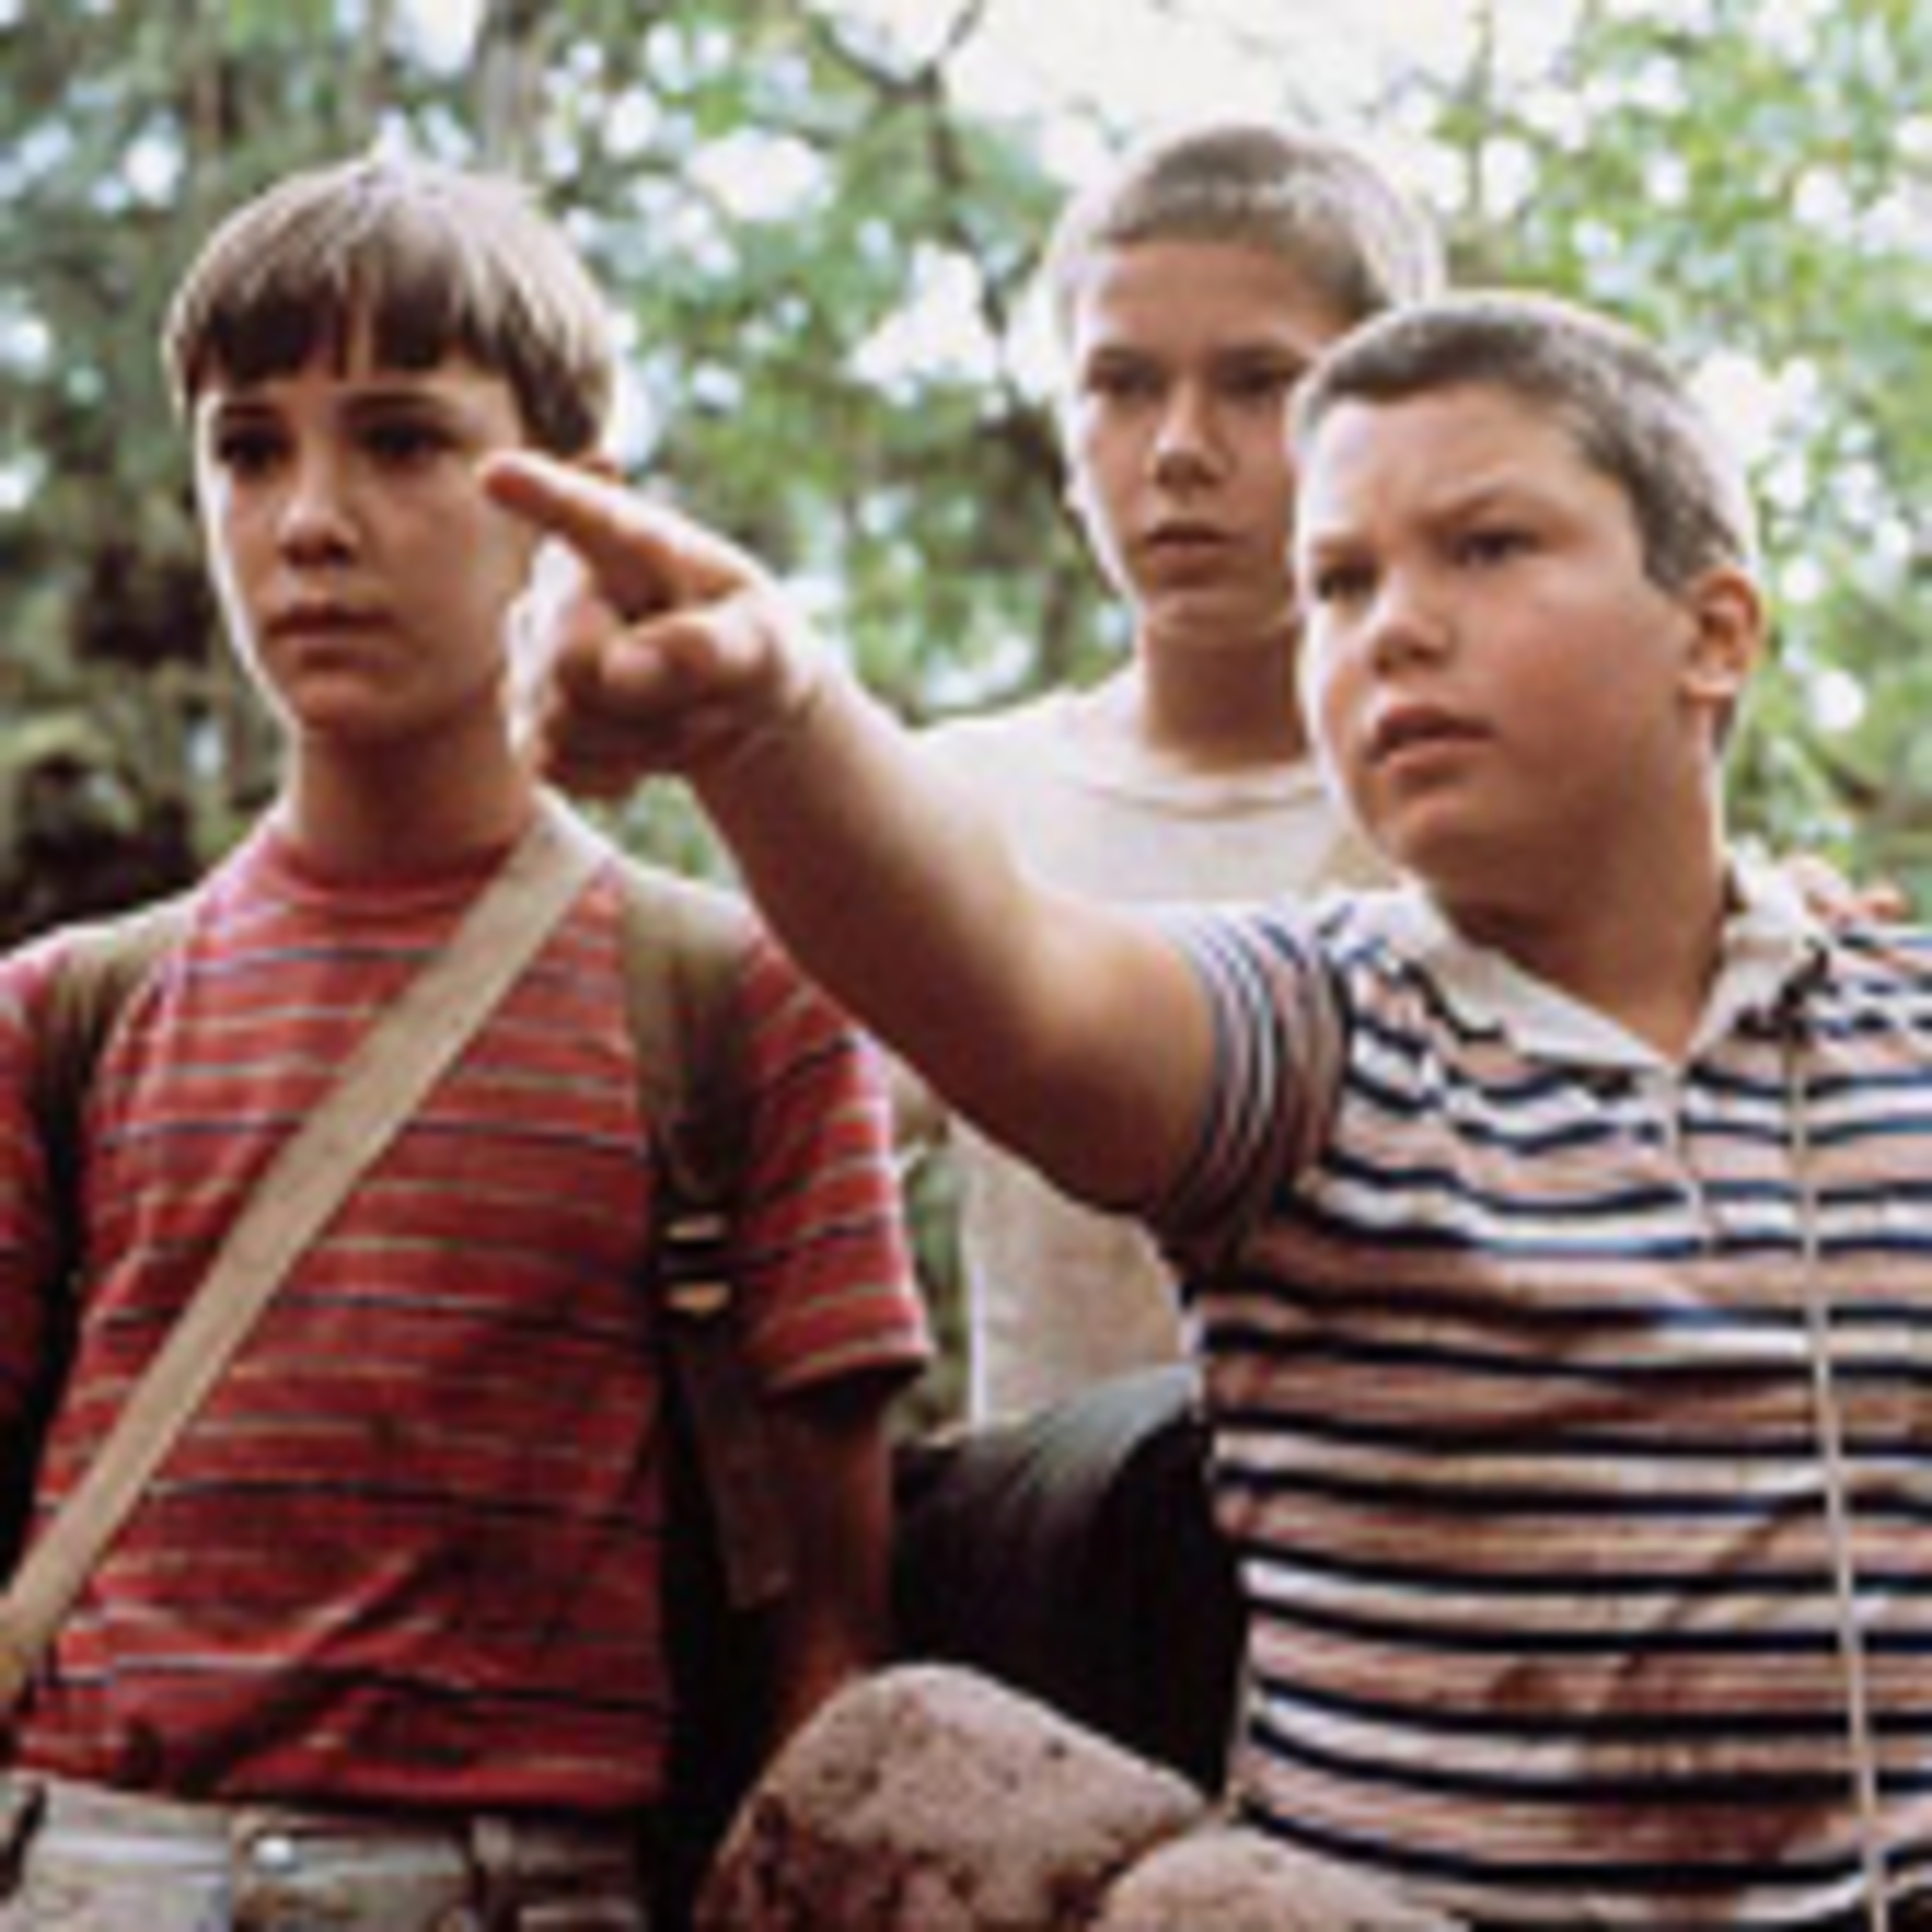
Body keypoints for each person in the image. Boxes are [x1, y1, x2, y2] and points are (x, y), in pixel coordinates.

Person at [488, 289, 1932, 1929]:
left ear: (1716, 633)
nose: (1396, 628)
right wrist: (770, 722)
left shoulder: (1900, 1036)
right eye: (1341, 583)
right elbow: (1012, 980)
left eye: (1486, 548)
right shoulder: (1315, 1032)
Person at [0, 154, 928, 1931]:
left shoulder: (734, 1000)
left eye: (402, 441)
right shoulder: (66, 1016)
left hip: (514, 1884)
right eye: (248, 450)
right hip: (86, 1867)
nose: (310, 521)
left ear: (574, 505)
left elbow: (834, 1629)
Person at [912, 120, 1439, 1427]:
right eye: (1124, 385)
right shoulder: (961, 802)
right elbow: (779, 1169)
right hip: (1055, 1541)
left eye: (1258, 384)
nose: (1180, 450)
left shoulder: (1478, 801)